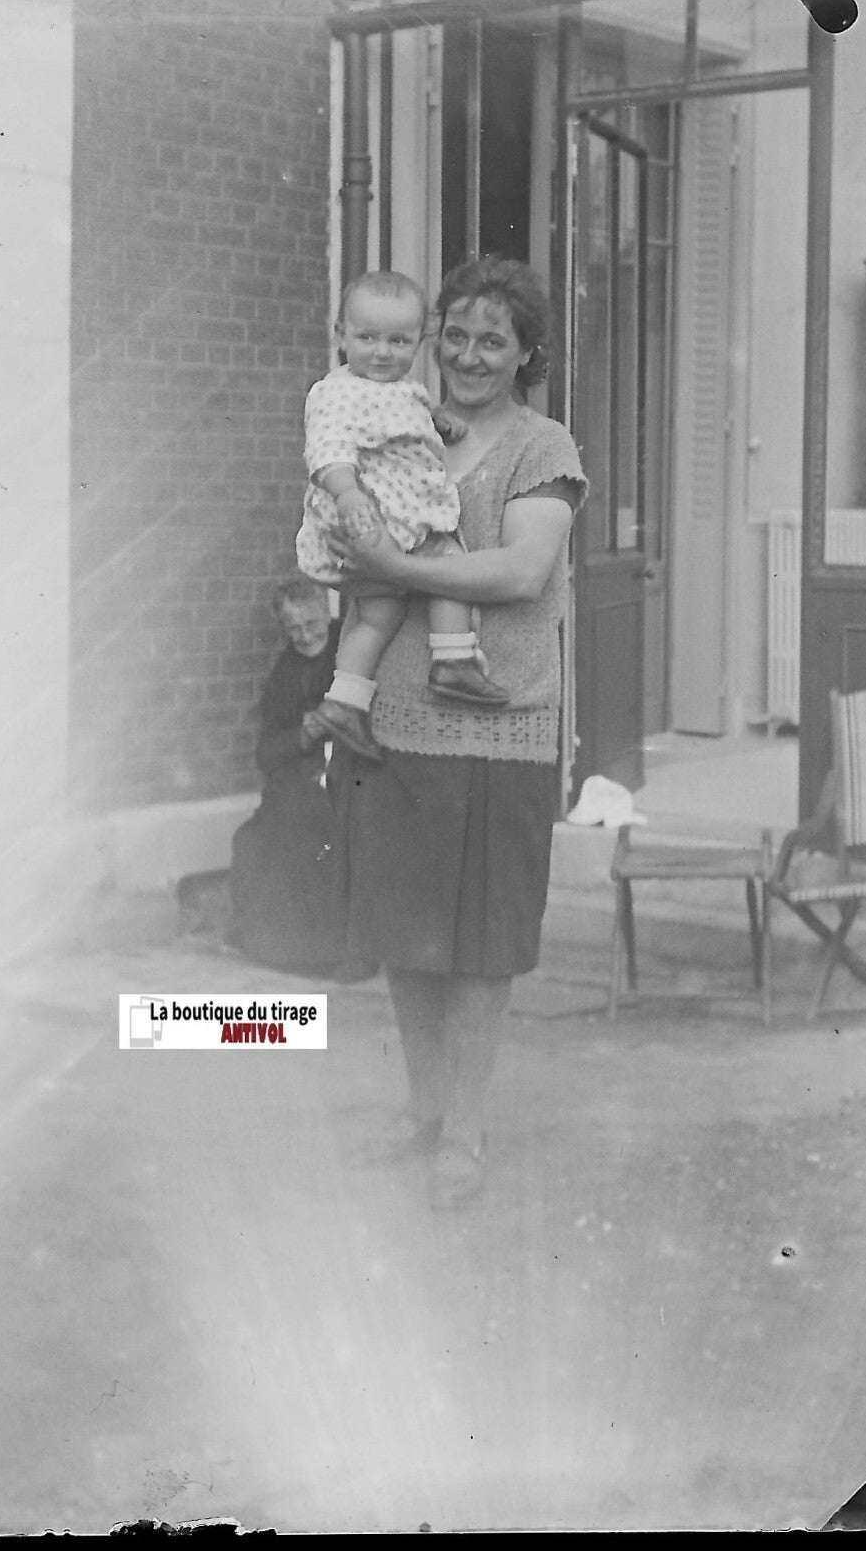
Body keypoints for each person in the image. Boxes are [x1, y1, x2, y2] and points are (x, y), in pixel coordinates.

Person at [327, 256, 588, 1211]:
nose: (472, 355)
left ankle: (465, 1135)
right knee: (407, 934)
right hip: (396, 719)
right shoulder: (393, 421)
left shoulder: (542, 447)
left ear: (526, 354)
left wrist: (395, 561)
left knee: (480, 945)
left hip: (498, 726)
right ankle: (422, 1113)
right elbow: (340, 523)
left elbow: (522, 574)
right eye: (460, 334)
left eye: (496, 340)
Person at [296, 269, 509, 764]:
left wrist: (435, 420)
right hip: (369, 513)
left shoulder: (404, 390)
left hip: (381, 516)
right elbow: (328, 447)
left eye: (398, 340)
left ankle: (343, 702)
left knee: (380, 612)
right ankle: (454, 657)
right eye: (366, 337)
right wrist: (347, 493)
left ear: (419, 341)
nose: (381, 352)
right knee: (447, 558)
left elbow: (395, 423)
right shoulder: (335, 392)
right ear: (340, 335)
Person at [227, 577, 371, 980]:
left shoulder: (353, 649)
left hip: (358, 770)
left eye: (312, 625)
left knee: (328, 824)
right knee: (273, 829)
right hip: (303, 774)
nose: (305, 636)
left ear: (327, 614)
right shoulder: (283, 675)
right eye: (294, 630)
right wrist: (302, 735)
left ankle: (347, 952)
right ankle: (288, 951)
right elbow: (266, 753)